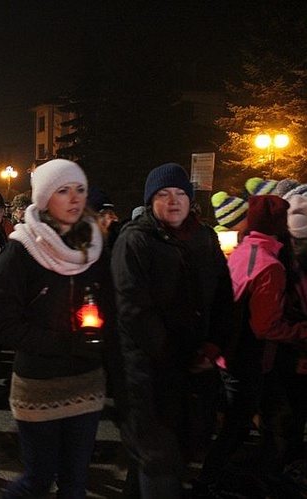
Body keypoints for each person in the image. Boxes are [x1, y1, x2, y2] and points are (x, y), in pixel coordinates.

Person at [0, 159, 112, 498]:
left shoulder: (96, 245)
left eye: (80, 190)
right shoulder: (21, 250)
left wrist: (104, 342)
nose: (74, 199)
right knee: (38, 479)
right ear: (43, 199)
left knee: (75, 483)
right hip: (39, 386)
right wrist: (66, 343)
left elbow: (112, 307)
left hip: (87, 383)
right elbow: (1, 323)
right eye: (63, 191)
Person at [111, 162, 233, 497]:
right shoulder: (135, 241)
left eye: (180, 193)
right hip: (150, 375)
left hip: (197, 370)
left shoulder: (204, 237)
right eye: (163, 194)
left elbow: (224, 296)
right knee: (160, 461)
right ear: (151, 201)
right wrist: (178, 356)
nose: (173, 200)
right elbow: (135, 311)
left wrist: (213, 346)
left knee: (169, 457)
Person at [195, 195, 307, 495]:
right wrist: (300, 331)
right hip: (248, 357)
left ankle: (223, 476)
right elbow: (265, 326)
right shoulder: (270, 265)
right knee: (240, 425)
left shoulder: (244, 249)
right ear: (279, 227)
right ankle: (211, 482)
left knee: (244, 420)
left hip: (229, 352)